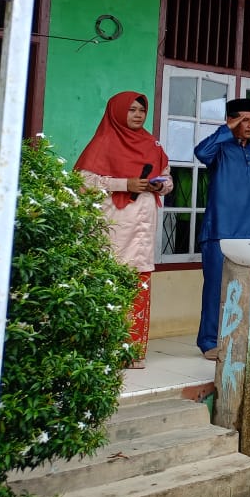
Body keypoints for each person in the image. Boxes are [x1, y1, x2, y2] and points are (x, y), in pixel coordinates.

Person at [75, 91, 174, 369]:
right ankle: (106, 350)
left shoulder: (152, 144)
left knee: (139, 283)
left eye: (141, 110)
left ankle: (132, 352)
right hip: (115, 224)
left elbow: (168, 178)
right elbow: (83, 181)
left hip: (144, 223)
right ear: (118, 112)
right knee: (112, 284)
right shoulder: (104, 141)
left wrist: (160, 185)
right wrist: (124, 184)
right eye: (131, 110)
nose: (138, 115)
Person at [194, 98, 250, 360]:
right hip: (220, 230)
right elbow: (201, 152)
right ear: (232, 121)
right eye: (244, 120)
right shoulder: (220, 150)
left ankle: (238, 339)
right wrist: (226, 130)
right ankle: (209, 341)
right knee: (216, 289)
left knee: (245, 290)